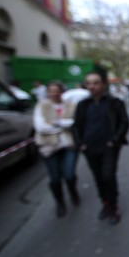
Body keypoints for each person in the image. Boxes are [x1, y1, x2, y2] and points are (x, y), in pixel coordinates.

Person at [73, 71, 129, 225]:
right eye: (89, 83)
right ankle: (105, 203)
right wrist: (81, 144)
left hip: (109, 148)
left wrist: (114, 140)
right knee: (98, 178)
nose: (92, 86)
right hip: (90, 148)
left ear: (103, 84)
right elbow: (76, 126)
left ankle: (114, 205)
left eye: (95, 82)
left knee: (108, 176)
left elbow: (124, 123)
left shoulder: (115, 103)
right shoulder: (83, 105)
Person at [33, 81, 80, 217]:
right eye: (51, 91)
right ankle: (60, 202)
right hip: (49, 147)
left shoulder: (70, 106)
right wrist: (64, 126)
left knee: (69, 175)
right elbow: (41, 127)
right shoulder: (41, 106)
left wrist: (55, 123)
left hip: (68, 145)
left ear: (62, 92)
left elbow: (75, 122)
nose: (54, 93)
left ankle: (73, 193)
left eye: (57, 90)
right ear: (47, 93)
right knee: (55, 178)